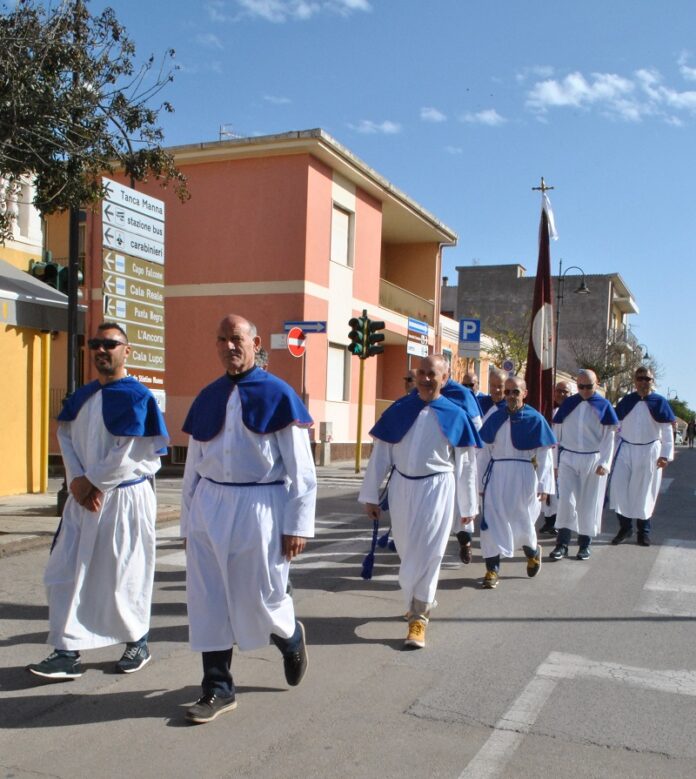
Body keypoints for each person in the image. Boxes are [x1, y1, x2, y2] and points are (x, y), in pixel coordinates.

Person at [181, 314, 316, 724]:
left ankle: (290, 637)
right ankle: (217, 689)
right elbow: (192, 467)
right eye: (221, 339)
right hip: (209, 504)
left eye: (236, 338)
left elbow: (302, 470)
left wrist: (297, 524)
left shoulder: (279, 394)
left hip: (261, 507)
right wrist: (188, 524)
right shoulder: (207, 396)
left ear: (255, 343)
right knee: (209, 600)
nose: (228, 346)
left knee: (262, 598)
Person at [27, 322, 169, 680]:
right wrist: (77, 481)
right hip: (84, 498)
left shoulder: (138, 397)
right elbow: (66, 435)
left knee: (123, 574)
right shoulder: (84, 397)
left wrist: (92, 482)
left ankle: (137, 641)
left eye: (110, 344)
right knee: (63, 572)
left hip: (124, 498)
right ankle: (65, 650)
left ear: (126, 351)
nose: (101, 350)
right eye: (95, 345)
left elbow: (131, 450)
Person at [359, 354, 480, 649]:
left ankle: (419, 616)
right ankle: (414, 599)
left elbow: (466, 467)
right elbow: (381, 456)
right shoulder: (399, 410)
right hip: (402, 488)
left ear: (445, 377)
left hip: (438, 488)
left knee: (430, 552)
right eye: (421, 373)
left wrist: (468, 509)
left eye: (432, 374)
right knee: (406, 549)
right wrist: (371, 494)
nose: (426, 379)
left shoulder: (455, 413)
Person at [477, 376, 556, 589]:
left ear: (525, 393)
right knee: (490, 524)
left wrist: (544, 485)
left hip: (524, 476)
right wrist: (479, 484)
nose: (511, 396)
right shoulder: (495, 417)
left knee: (522, 521)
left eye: (516, 392)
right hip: (496, 476)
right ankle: (492, 569)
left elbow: (545, 456)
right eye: (508, 392)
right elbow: (484, 452)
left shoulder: (535, 419)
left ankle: (531, 551)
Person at [549, 370, 618, 561]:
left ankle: (584, 545)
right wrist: (554, 464)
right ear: (576, 385)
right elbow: (556, 437)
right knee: (565, 502)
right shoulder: (568, 405)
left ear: (597, 384)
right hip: (569, 457)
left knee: (589, 503)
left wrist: (605, 462)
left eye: (589, 386)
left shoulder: (603, 406)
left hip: (592, 459)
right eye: (581, 387)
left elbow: (609, 438)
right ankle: (561, 544)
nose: (585, 390)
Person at [609, 366, 675, 547]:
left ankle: (643, 532)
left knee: (646, 491)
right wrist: (610, 455)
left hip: (650, 451)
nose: (643, 382)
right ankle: (625, 527)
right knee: (619, 489)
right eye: (640, 378)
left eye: (647, 379)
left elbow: (667, 430)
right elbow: (615, 428)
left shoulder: (659, 402)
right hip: (626, 450)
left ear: (652, 382)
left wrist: (665, 455)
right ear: (635, 380)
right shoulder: (627, 401)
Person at [539, 379, 574, 536]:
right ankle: (549, 521)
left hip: (565, 456)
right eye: (558, 391)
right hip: (548, 454)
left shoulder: (573, 412)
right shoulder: (547, 411)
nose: (561, 394)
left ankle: (561, 524)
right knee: (548, 491)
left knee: (561, 493)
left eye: (565, 391)